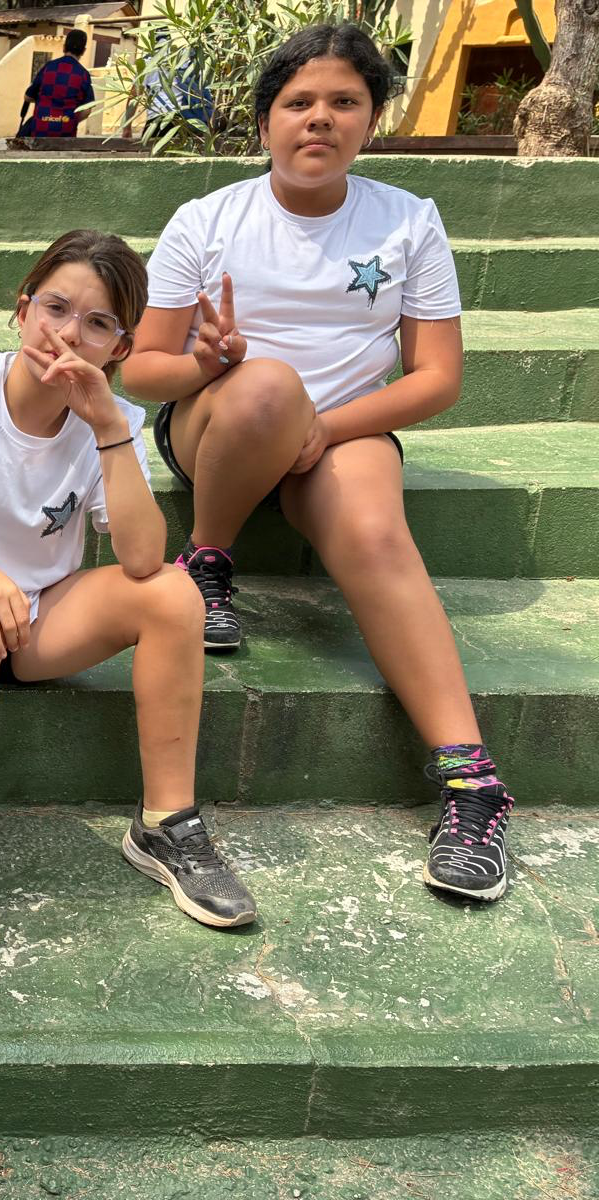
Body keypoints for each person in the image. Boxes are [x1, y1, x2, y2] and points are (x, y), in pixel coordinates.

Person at [121, 24, 513, 903]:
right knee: (266, 386)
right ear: (266, 121)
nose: (320, 118)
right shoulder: (207, 221)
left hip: (343, 434)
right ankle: (209, 557)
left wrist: (325, 429)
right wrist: (207, 365)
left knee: (375, 536)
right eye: (299, 102)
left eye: (345, 102)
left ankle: (472, 784)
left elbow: (438, 378)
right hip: (221, 424)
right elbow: (140, 371)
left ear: (372, 120)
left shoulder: (407, 220)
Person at [0, 230, 257, 953]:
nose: (70, 334)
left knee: (175, 594)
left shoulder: (112, 421)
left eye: (99, 323)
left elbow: (141, 558)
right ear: (22, 310)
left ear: (120, 347)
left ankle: (166, 823)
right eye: (56, 308)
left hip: (36, 620)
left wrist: (107, 426)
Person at [17, 27, 92, 138]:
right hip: (66, 135)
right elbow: (87, 109)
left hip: (39, 132)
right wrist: (69, 120)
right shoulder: (83, 74)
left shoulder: (48, 67)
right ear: (83, 51)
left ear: (64, 47)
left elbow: (28, 97)